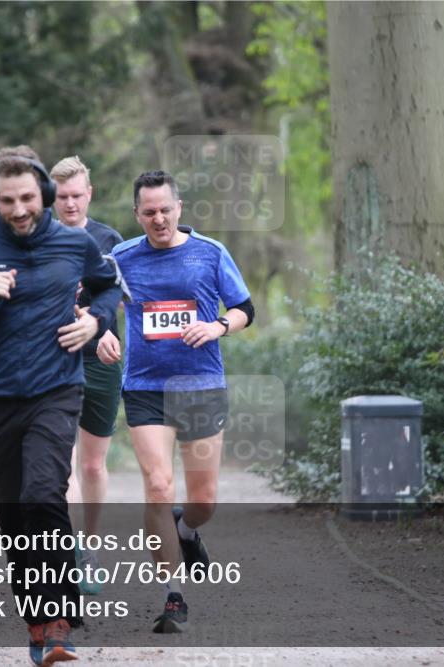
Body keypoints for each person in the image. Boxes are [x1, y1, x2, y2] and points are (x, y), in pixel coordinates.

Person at [0, 146, 123, 666]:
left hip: (57, 391)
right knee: (15, 511)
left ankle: (60, 622)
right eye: (7, 199)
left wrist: (95, 322)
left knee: (43, 494)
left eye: (28, 198)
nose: (18, 209)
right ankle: (36, 621)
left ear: (46, 194)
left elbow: (109, 288)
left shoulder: (74, 242)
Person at [98, 170, 254, 633]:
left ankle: (188, 529)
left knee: (203, 499)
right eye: (149, 212)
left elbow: (247, 308)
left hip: (201, 385)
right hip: (145, 388)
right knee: (160, 488)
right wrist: (103, 331)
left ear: (179, 207)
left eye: (166, 209)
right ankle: (172, 596)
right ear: (137, 214)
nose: (159, 218)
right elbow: (90, 305)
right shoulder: (121, 258)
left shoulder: (210, 253)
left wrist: (218, 326)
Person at [51, 156, 123, 594]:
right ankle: (71, 548)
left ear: (89, 194)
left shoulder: (108, 240)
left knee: (93, 463)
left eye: (77, 196)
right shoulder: (38, 240)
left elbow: (116, 297)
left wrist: (104, 331)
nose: (71, 204)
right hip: (54, 356)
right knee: (63, 463)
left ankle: (91, 549)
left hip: (101, 357)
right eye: (62, 198)